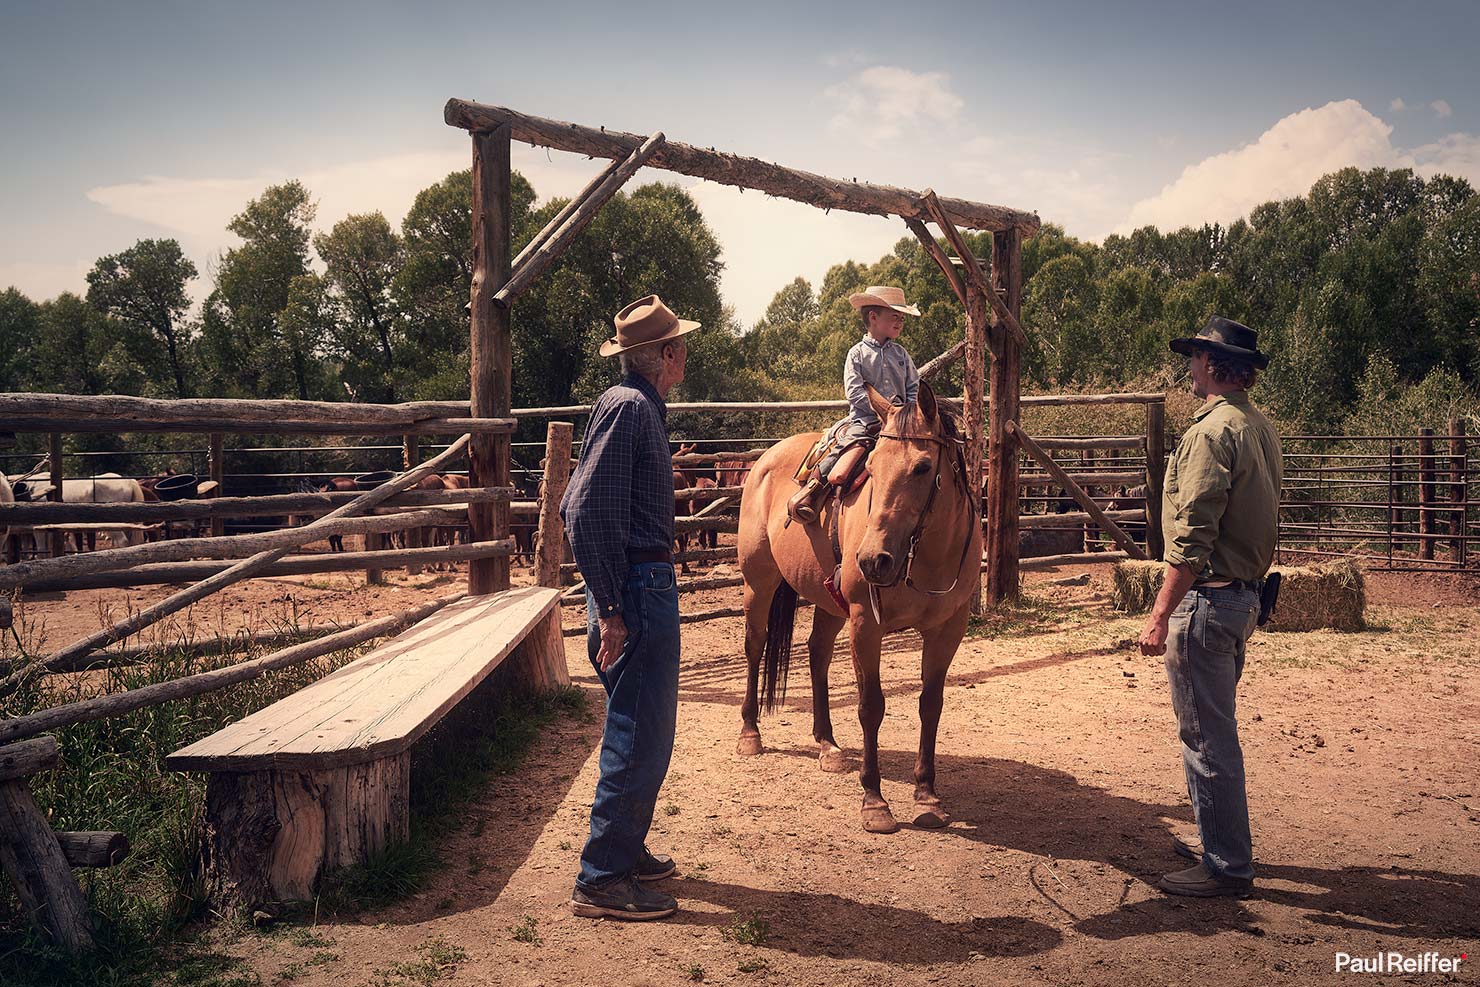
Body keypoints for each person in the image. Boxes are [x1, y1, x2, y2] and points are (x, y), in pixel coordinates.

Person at [559, 294, 700, 920]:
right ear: (665, 355)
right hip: (636, 589)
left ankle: (624, 845)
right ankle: (602, 879)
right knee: (639, 730)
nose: (687, 353)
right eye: (681, 345)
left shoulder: (638, 408)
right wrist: (612, 606)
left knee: (646, 727)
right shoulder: (629, 408)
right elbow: (584, 511)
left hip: (638, 585)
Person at [1138, 316, 1283, 899]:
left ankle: (1225, 866)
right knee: (1210, 727)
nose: (1191, 366)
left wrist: (1157, 614)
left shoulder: (1210, 434)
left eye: (1197, 357)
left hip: (1209, 601)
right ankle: (1216, 841)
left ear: (1215, 366)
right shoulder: (1257, 427)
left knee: (1205, 735)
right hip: (1243, 596)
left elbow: (1193, 538)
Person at [787, 285, 921, 524]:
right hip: (866, 421)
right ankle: (812, 491)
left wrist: (905, 413)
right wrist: (881, 413)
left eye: (902, 318)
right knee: (842, 452)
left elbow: (913, 386)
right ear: (873, 317)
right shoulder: (856, 354)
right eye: (895, 316)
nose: (900, 322)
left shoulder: (901, 354)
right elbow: (855, 392)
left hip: (900, 424)